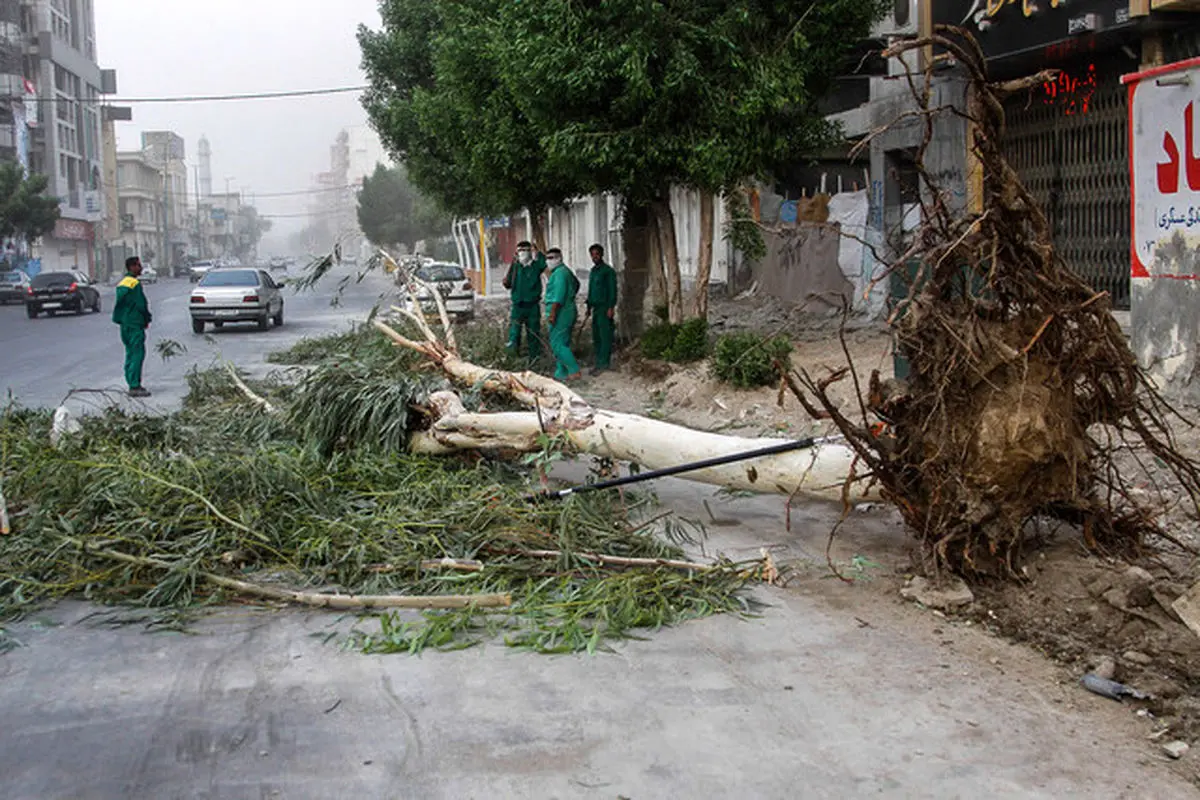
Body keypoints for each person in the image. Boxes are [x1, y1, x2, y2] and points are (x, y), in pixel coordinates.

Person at [112, 256, 153, 398]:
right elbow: (141, 304)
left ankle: (130, 381)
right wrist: (147, 317)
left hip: (125, 324)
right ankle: (135, 386)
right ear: (132, 267)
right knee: (137, 353)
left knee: (130, 353)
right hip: (135, 324)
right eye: (138, 265)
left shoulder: (122, 283)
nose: (141, 268)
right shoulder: (134, 284)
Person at [502, 240, 546, 361]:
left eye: (525, 250)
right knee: (514, 333)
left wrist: (536, 250)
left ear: (529, 251)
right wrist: (513, 261)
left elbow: (544, 263)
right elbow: (508, 282)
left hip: (532, 306)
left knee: (533, 333)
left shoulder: (536, 266)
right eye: (520, 250)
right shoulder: (516, 267)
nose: (522, 253)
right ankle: (513, 358)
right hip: (517, 306)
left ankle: (534, 358)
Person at [543, 247, 582, 381]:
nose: (549, 261)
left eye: (552, 258)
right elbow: (577, 284)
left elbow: (558, 297)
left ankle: (574, 370)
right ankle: (561, 372)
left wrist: (553, 313)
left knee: (557, 344)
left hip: (561, 313)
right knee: (563, 342)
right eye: (547, 258)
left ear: (559, 258)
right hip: (568, 310)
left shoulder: (559, 274)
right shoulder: (565, 272)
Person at [585, 244, 618, 374]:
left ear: (602, 254)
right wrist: (588, 307)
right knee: (596, 336)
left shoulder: (608, 271)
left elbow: (612, 290)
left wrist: (611, 307)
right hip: (595, 308)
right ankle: (598, 362)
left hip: (605, 308)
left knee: (605, 336)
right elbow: (591, 290)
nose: (594, 257)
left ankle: (604, 363)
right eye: (592, 255)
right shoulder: (593, 271)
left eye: (596, 254)